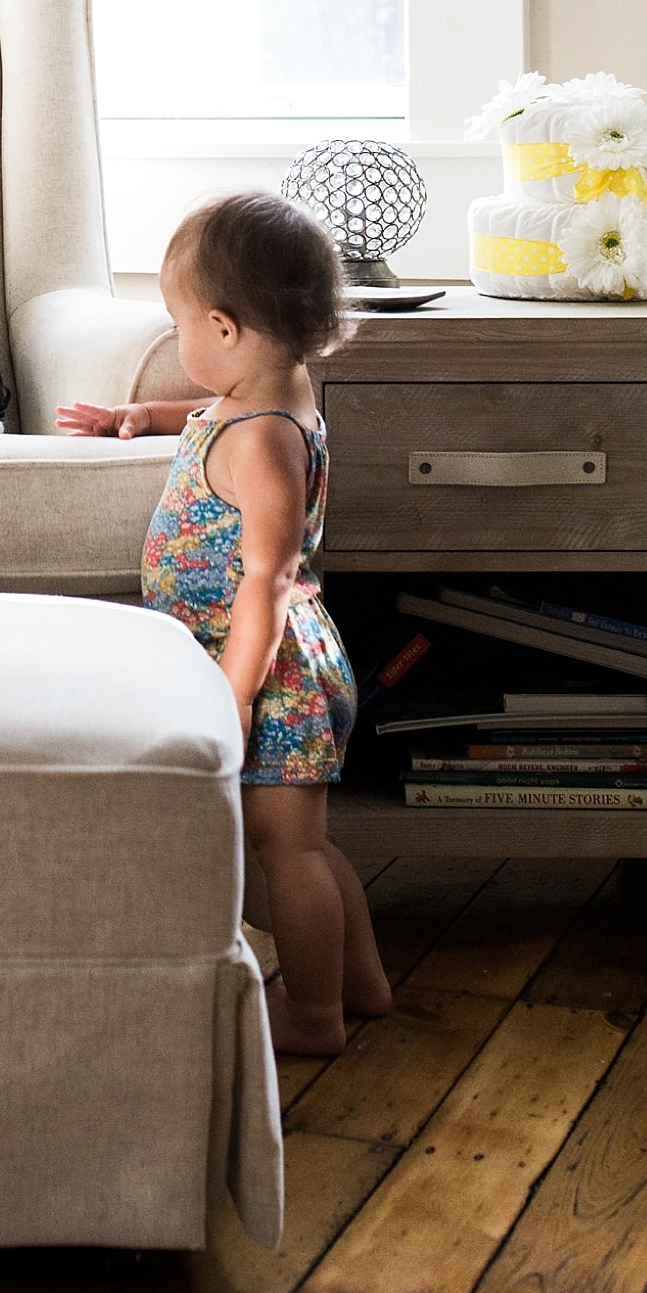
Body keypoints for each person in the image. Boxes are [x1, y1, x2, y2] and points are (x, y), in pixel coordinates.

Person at [59, 190, 390, 1055]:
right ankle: (362, 983)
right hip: (260, 661)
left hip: (267, 668)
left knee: (290, 858)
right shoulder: (269, 394)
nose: (179, 344)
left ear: (225, 328)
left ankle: (315, 1016)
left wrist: (235, 693)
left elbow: (270, 576)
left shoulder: (266, 437)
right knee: (306, 846)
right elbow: (216, 418)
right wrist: (144, 417)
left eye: (180, 329)